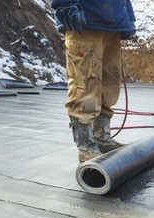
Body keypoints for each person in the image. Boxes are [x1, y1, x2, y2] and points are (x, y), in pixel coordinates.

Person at [50, 0, 136, 162]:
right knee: (84, 85)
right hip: (84, 22)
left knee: (109, 83)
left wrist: (128, 19)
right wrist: (65, 5)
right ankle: (86, 146)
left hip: (112, 24)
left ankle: (102, 138)